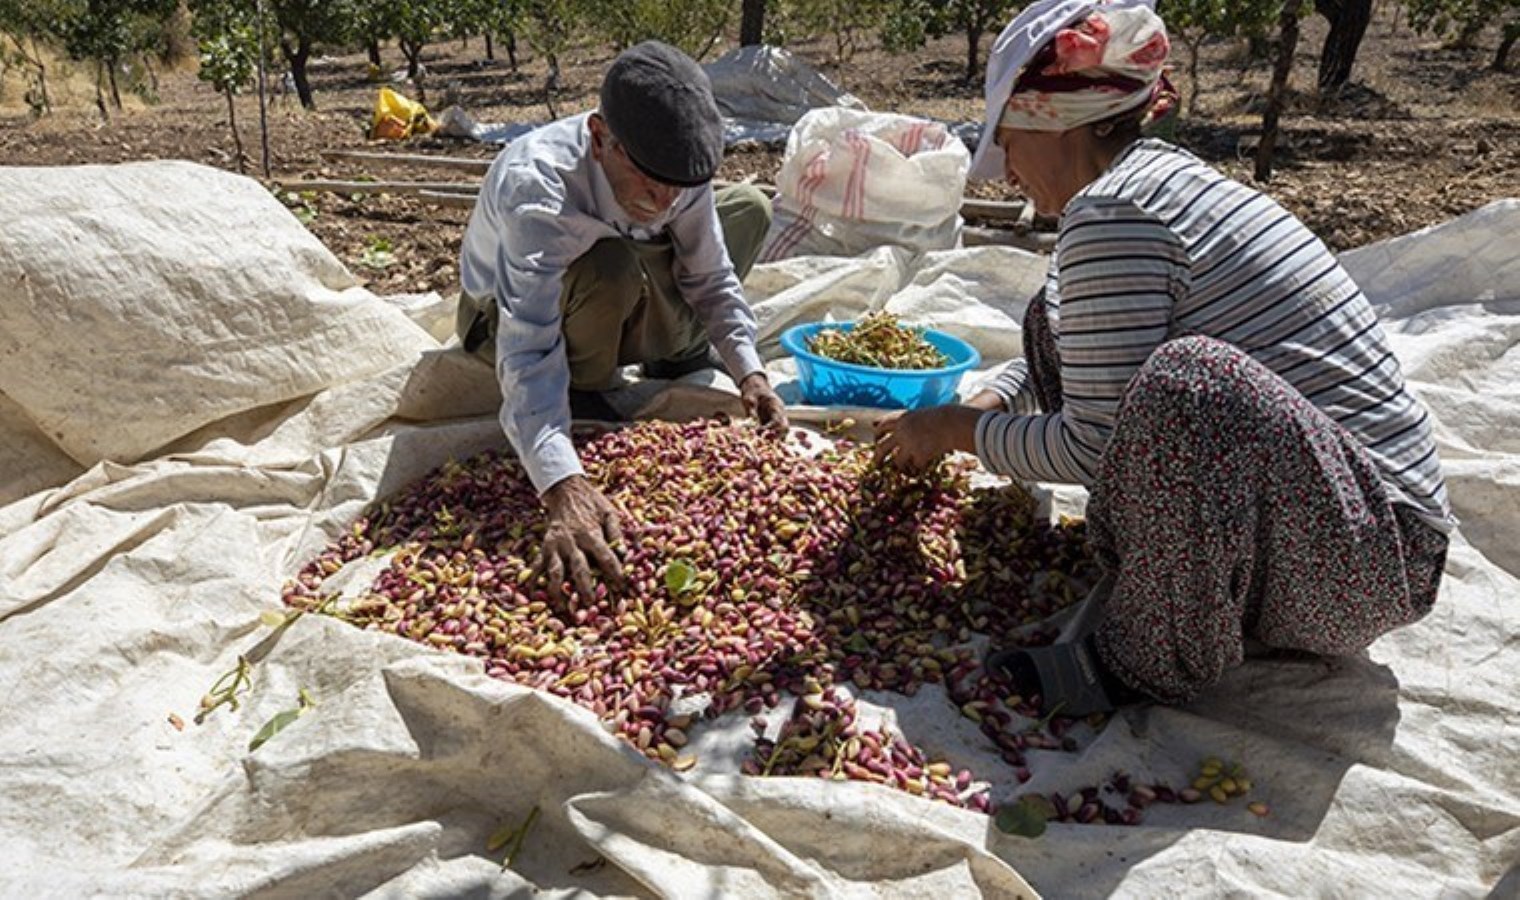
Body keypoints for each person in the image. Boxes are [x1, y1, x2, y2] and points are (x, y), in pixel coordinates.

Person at [875, 0, 1454, 715]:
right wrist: (990, 404)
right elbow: (1086, 348)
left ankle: (1140, 662)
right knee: (1049, 313)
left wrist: (952, 430)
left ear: (1058, 123)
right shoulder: (1145, 185)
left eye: (1010, 143)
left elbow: (1093, 446)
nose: (1010, 175)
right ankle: (1176, 575)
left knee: (1192, 384)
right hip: (1334, 523)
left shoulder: (1116, 213)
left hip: (1362, 563)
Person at [457, 41, 788, 601]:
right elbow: (527, 348)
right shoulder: (538, 188)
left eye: (678, 185)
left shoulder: (676, 179)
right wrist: (561, 481)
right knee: (608, 268)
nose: (664, 201)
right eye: (648, 179)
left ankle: (674, 351)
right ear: (598, 136)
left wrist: (750, 372)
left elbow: (711, 277)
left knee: (748, 208)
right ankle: (584, 392)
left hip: (620, 277)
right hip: (505, 319)